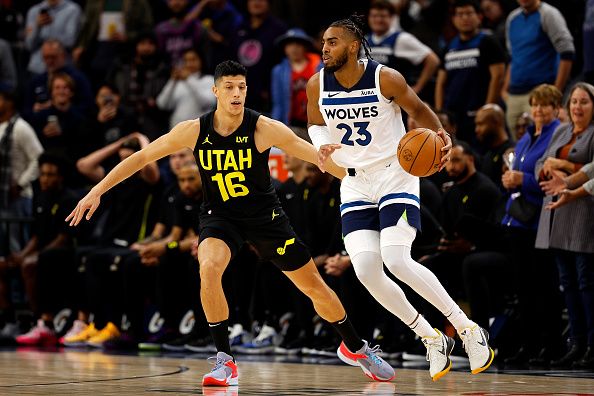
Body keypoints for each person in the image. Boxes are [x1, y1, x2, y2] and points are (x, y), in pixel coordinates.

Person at [66, 60, 396, 386]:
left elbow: (317, 158)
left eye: (241, 87)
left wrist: (372, 182)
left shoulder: (263, 127)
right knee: (208, 266)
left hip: (266, 219)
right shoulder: (194, 130)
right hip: (220, 217)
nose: (237, 93)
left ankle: (356, 348)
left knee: (314, 287)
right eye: (229, 87)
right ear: (215, 91)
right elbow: (141, 158)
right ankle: (225, 361)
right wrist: (97, 190)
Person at [306, 15, 494, 381]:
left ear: (354, 45)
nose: (325, 48)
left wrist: (442, 138)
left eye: (332, 42)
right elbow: (314, 122)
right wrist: (319, 144)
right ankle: (430, 336)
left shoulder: (385, 78)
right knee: (365, 270)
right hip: (355, 183)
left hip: (396, 175)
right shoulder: (317, 85)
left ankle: (468, 328)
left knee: (396, 257)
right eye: (324, 42)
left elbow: (421, 113)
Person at [535, 82, 594, 369]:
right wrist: (547, 167)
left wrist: (564, 167)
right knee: (567, 284)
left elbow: (587, 168)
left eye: (584, 102)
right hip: (556, 215)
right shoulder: (561, 130)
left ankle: (592, 345)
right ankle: (577, 344)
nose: (578, 107)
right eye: (574, 102)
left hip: (584, 215)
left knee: (586, 283)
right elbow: (540, 164)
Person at [435, 0, 506, 144]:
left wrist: (487, 110)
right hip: (455, 115)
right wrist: (439, 113)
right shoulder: (449, 47)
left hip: (478, 115)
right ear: (453, 19)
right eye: (460, 14)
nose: (464, 18)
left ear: (479, 17)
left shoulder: (488, 41)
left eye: (469, 13)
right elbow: (440, 83)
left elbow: (498, 76)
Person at [503, 0, 574, 135]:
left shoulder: (548, 14)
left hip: (540, 93)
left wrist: (555, 92)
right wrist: (504, 90)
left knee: (543, 142)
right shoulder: (512, 19)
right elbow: (513, 57)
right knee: (519, 149)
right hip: (514, 95)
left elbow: (567, 52)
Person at [156, 48, 216, 128]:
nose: (189, 64)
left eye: (193, 60)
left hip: (200, 131)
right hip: (177, 131)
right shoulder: (179, 82)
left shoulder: (209, 80)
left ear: (201, 61)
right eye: (186, 61)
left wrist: (188, 79)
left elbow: (207, 103)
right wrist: (172, 81)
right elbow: (162, 104)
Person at [24, 0, 82, 74]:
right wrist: (37, 27)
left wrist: (52, 27)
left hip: (62, 70)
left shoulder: (72, 10)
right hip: (37, 68)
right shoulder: (34, 11)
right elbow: (29, 46)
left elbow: (70, 41)